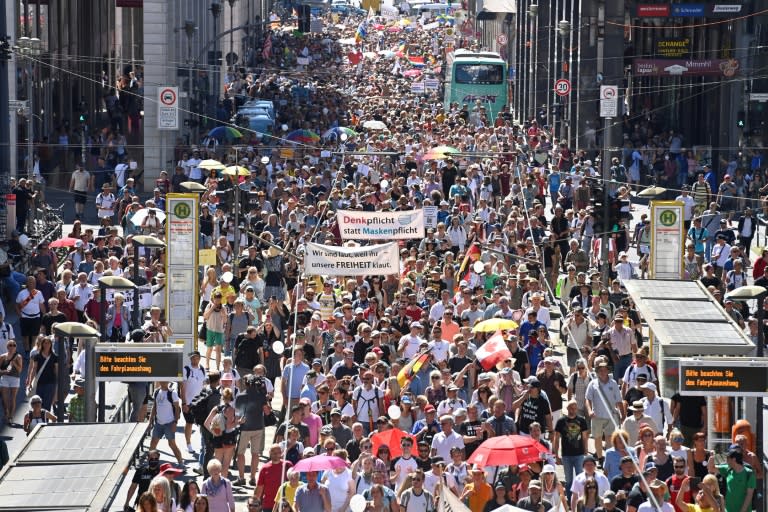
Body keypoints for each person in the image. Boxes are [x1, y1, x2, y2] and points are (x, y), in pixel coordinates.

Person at [204, 387, 239, 478]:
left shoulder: (216, 409)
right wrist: (238, 423)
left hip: (218, 439)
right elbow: (228, 427)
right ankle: (223, 484)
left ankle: (214, 482)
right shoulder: (231, 410)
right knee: (226, 465)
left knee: (217, 464)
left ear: (222, 397)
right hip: (229, 440)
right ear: (231, 398)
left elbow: (206, 423)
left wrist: (214, 433)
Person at [148, 381, 184, 466]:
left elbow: (177, 409)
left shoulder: (172, 393)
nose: (163, 382)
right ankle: (150, 463)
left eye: (165, 380)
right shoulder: (156, 392)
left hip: (169, 423)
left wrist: (175, 423)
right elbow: (155, 406)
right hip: (158, 423)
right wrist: (150, 419)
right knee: (153, 443)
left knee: (172, 444)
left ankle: (181, 463)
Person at [708, 448, 755, 512]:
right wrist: (712, 457)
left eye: (728, 458)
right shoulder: (727, 469)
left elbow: (749, 495)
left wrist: (742, 511)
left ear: (734, 459)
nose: (726, 461)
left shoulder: (749, 473)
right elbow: (711, 468)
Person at [0, 338, 23, 423]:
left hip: (15, 378)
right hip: (5, 378)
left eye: (14, 345)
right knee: (4, 398)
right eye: (10, 345)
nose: (12, 347)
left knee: (12, 398)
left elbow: (20, 370)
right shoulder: (2, 357)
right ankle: (6, 411)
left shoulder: (19, 357)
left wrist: (14, 363)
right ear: (7, 347)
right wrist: (4, 371)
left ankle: (11, 415)